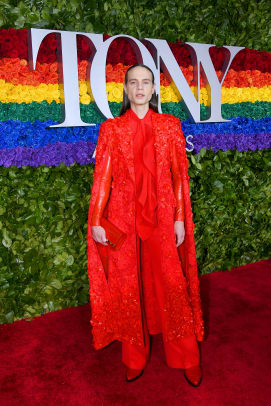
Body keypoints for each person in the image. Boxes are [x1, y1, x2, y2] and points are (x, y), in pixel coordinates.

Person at [86, 64, 204, 385]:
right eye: (133, 82)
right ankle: (134, 356)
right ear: (125, 89)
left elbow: (180, 176)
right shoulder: (111, 129)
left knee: (171, 284)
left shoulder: (171, 126)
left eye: (146, 82)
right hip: (125, 220)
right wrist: (97, 219)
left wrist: (180, 217)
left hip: (164, 219)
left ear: (154, 90)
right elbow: (103, 179)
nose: (140, 87)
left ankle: (186, 356)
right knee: (129, 288)